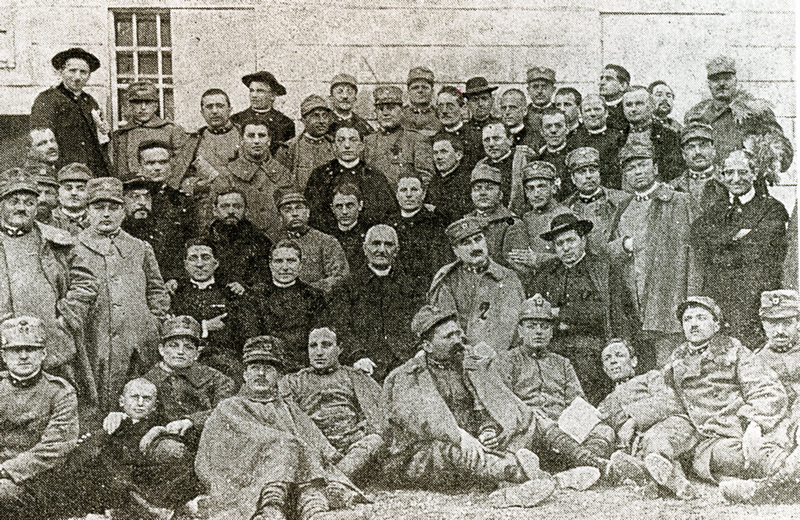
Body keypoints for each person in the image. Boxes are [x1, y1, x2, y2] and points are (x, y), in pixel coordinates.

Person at [381, 304, 555, 503]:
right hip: (422, 455)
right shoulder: (406, 376)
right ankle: (522, 476)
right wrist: (459, 436)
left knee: (524, 421)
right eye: (448, 337)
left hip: (473, 445)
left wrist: (487, 430)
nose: (457, 341)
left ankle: (513, 481)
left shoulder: (467, 366)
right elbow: (420, 420)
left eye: (458, 333)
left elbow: (485, 404)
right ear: (427, 346)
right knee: (452, 452)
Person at [195, 335, 366, 520]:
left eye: (267, 369)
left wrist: (329, 457)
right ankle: (272, 509)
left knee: (299, 455)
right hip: (246, 476)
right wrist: (281, 444)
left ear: (278, 376)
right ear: (245, 374)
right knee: (287, 446)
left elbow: (314, 439)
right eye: (255, 368)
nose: (261, 374)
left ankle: (314, 509)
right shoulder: (230, 406)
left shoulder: (286, 407)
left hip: (291, 473)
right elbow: (216, 455)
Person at [639, 296, 787, 498]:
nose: (693, 324)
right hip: (688, 424)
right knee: (656, 439)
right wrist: (637, 419)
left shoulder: (734, 350)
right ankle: (675, 479)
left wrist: (756, 423)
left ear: (716, 325)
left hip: (722, 429)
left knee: (732, 456)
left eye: (700, 318)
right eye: (687, 320)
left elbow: (766, 388)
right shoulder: (677, 357)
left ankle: (673, 477)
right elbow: (665, 393)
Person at [492, 296, 637, 483]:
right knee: (538, 419)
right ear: (520, 330)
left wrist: (578, 420)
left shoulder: (562, 363)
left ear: (552, 332)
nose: (538, 332)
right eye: (532, 326)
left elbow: (577, 402)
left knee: (604, 430)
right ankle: (596, 465)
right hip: (527, 430)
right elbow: (503, 401)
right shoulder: (507, 360)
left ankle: (576, 471)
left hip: (563, 430)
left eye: (544, 327)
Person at [76, 177, 170, 414]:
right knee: (99, 404)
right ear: (87, 211)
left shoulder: (140, 248)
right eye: (99, 208)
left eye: (114, 207)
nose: (106, 214)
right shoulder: (73, 248)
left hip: (140, 343)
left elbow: (157, 289)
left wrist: (154, 321)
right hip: (95, 342)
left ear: (123, 211)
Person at [0, 168, 97, 385]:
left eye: (29, 202)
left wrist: (65, 319)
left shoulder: (56, 241)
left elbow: (86, 282)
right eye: (14, 201)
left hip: (50, 342)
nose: (22, 208)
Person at [608, 142, 698, 370]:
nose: (637, 172)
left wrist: (691, 301)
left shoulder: (679, 201)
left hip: (668, 303)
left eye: (642, 165)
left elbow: (694, 256)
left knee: (672, 368)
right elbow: (609, 249)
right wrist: (626, 245)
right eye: (630, 168)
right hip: (634, 306)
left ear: (655, 168)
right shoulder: (623, 207)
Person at [691, 149, 789, 349]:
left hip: (755, 305)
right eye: (729, 173)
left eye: (743, 172)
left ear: (754, 174)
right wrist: (738, 237)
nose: (736, 179)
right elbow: (700, 245)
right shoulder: (714, 210)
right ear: (722, 175)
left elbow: (757, 250)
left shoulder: (772, 209)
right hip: (720, 303)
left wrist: (721, 241)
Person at [281, 327, 385, 488]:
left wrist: (363, 431)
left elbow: (378, 413)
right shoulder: (294, 381)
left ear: (339, 349)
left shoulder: (354, 376)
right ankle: (337, 483)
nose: (319, 352)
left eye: (326, 345)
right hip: (314, 447)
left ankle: (332, 482)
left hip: (351, 447)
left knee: (375, 440)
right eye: (313, 346)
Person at [721, 290, 800, 503]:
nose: (780, 330)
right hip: (778, 424)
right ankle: (782, 484)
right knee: (762, 448)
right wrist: (755, 421)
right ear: (763, 325)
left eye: (787, 323)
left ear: (798, 322)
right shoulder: (754, 360)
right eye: (773, 324)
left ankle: (763, 491)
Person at [0, 316, 79, 520]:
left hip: (38, 478)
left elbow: (55, 447)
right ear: (4, 356)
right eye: (16, 350)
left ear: (43, 354)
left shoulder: (60, 391)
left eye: (31, 349)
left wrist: (6, 470)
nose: (24, 356)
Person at [529, 215, 613, 404]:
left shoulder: (601, 269)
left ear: (583, 240)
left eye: (570, 241)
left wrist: (560, 313)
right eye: (560, 244)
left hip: (590, 348)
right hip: (553, 348)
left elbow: (603, 311)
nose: (566, 248)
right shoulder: (546, 273)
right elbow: (535, 308)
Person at [327, 224, 426, 382]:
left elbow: (422, 322)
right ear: (365, 249)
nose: (381, 250)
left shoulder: (411, 285)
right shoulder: (346, 286)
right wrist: (357, 357)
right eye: (376, 244)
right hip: (364, 364)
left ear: (397, 250)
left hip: (405, 361)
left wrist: (419, 351)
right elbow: (341, 326)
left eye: (388, 244)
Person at [141, 315, 236, 452]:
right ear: (161, 349)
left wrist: (191, 421)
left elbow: (226, 411)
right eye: (173, 345)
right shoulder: (146, 382)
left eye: (188, 347)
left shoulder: (216, 379)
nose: (180, 352)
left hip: (210, 444)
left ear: (197, 353)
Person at [429, 216, 525, 352]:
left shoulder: (507, 278)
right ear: (456, 250)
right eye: (466, 243)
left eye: (478, 239)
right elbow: (444, 327)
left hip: (501, 357)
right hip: (460, 355)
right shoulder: (447, 280)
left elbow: (512, 327)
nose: (475, 247)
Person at [685, 55, 792, 167]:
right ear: (709, 84)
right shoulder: (697, 114)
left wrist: (764, 158)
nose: (721, 84)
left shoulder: (756, 111)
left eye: (727, 78)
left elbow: (783, 151)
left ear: (735, 81)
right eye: (715, 80)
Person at [170, 239, 253, 382]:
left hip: (225, 364)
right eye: (193, 259)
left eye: (206, 258)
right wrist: (205, 327)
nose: (200, 264)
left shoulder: (231, 293)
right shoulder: (176, 294)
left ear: (216, 263)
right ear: (185, 264)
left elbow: (240, 332)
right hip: (184, 362)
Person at [596, 339, 681, 471]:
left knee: (655, 444)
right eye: (607, 358)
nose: (613, 361)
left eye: (619, 355)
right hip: (636, 447)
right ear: (604, 369)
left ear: (634, 361)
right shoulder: (605, 403)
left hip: (664, 431)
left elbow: (667, 400)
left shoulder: (650, 377)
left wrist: (634, 420)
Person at [244, 239, 327, 373]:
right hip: (268, 364)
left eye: (291, 261)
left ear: (300, 265)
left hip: (305, 367)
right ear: (270, 265)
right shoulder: (254, 296)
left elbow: (318, 337)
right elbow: (252, 336)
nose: (285, 267)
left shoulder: (314, 296)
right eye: (278, 261)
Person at [30, 47, 110, 176]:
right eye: (72, 71)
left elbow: (100, 141)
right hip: (64, 171)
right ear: (62, 71)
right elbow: (41, 138)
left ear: (89, 76)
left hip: (92, 171)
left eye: (83, 72)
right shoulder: (48, 99)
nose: (77, 77)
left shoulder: (90, 102)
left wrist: (104, 131)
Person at [211, 120, 294, 239]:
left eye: (261, 136)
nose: (256, 141)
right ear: (242, 140)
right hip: (240, 239)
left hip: (278, 238)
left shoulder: (284, 173)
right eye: (250, 136)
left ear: (269, 140)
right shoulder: (228, 173)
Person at [306, 124, 396, 234]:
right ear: (334, 146)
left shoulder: (375, 176)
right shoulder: (320, 175)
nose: (347, 145)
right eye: (341, 140)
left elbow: (387, 213)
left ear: (361, 146)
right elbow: (313, 215)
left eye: (353, 140)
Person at [172, 88, 241, 231]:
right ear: (202, 112)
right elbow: (178, 179)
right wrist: (197, 185)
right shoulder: (193, 141)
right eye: (209, 107)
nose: (214, 111)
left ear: (230, 110)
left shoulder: (244, 136)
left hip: (238, 209)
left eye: (220, 106)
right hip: (206, 212)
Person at [502, 161, 571, 280]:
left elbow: (573, 256)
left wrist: (538, 259)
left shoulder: (565, 216)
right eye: (530, 189)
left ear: (554, 188)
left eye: (541, 187)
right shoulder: (526, 217)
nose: (536, 194)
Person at [274, 187, 349, 294]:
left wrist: (306, 291)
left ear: (308, 212)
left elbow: (339, 277)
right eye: (288, 210)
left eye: (299, 208)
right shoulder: (275, 243)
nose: (294, 213)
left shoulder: (326, 242)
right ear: (280, 217)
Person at [110, 80, 188, 182]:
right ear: (129, 105)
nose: (143, 107)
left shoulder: (172, 131)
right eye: (137, 102)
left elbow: (181, 167)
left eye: (148, 102)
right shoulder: (120, 135)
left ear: (155, 105)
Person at [385, 173, 450, 286]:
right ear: (396, 195)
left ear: (423, 194)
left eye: (414, 190)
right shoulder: (388, 224)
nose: (408, 195)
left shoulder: (435, 223)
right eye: (403, 190)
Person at [364, 86, 435, 188]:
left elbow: (426, 178)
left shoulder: (416, 139)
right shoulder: (369, 141)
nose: (385, 113)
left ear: (401, 110)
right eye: (380, 109)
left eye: (391, 108)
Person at [562, 147, 629, 254]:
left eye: (592, 170)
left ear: (599, 173)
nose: (588, 176)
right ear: (573, 179)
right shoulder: (566, 208)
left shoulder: (621, 200)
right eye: (582, 172)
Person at [121, 176, 186, 285]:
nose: (142, 202)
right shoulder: (115, 231)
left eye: (146, 197)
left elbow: (175, 265)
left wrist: (173, 279)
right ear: (122, 202)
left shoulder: (165, 230)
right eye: (134, 197)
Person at [204, 190, 273, 292]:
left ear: (246, 210)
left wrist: (246, 288)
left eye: (237, 206)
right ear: (215, 210)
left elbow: (268, 280)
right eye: (225, 206)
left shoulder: (261, 241)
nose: (231, 211)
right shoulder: (204, 241)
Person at [621, 86, 684, 184]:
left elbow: (676, 174)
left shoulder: (670, 136)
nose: (633, 109)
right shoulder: (618, 139)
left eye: (639, 104)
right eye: (629, 105)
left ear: (651, 106)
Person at [568, 94, 626, 189]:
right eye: (587, 110)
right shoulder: (573, 141)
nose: (592, 114)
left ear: (606, 112)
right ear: (581, 114)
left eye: (597, 109)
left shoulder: (619, 138)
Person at [230, 70, 295, 154]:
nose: (254, 95)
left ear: (272, 96)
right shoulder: (236, 120)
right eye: (251, 91)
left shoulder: (285, 123)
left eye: (260, 91)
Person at [465, 163, 518, 264]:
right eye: (477, 188)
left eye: (489, 188)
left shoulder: (511, 224)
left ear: (500, 195)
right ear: (471, 194)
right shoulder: (467, 222)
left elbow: (517, 270)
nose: (482, 193)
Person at [670, 122, 728, 213]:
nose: (697, 152)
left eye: (703, 146)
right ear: (684, 154)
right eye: (691, 147)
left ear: (713, 150)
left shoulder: (728, 182)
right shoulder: (673, 187)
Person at [283, 95, 335, 190]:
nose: (322, 121)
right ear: (303, 120)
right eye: (315, 116)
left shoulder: (335, 147)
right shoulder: (289, 149)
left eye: (325, 116)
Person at [427, 133, 473, 223]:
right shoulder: (434, 181)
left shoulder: (467, 181)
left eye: (444, 152)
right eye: (435, 153)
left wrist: (436, 210)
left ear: (458, 155)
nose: (438, 157)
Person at [434, 86, 482, 170]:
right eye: (441, 106)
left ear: (463, 109)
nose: (444, 111)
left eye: (450, 106)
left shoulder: (476, 137)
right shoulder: (434, 140)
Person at [327, 182, 369, 275]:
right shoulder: (326, 236)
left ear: (360, 205)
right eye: (339, 206)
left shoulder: (368, 235)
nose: (344, 211)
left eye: (350, 205)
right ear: (332, 208)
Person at [538, 108, 574, 200]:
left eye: (558, 126)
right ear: (541, 132)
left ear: (567, 129)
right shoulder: (537, 159)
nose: (553, 130)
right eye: (548, 126)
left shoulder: (575, 156)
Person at [400, 66, 441, 138]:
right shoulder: (400, 115)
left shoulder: (440, 114)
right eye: (415, 87)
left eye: (425, 87)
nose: (420, 91)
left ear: (432, 92)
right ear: (408, 92)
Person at [328, 74, 373, 138]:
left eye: (349, 92)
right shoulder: (325, 124)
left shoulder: (363, 126)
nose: (345, 96)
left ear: (355, 98)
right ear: (331, 98)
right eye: (339, 92)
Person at [50, 163, 90, 235]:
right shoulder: (49, 219)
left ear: (89, 193)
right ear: (58, 192)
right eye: (68, 188)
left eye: (81, 189)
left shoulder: (95, 220)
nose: (74, 193)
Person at [524, 66, 556, 150]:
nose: (539, 91)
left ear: (553, 90)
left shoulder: (560, 113)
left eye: (544, 87)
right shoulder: (522, 115)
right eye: (535, 87)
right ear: (528, 90)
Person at [598, 64, 630, 134]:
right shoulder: (596, 109)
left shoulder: (628, 110)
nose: (601, 83)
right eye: (601, 78)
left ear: (623, 85)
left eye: (609, 79)